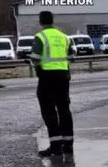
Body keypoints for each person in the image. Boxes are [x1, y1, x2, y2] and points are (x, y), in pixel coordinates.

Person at [29, 11, 75, 156]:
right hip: (63, 76)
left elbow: (35, 58)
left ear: (40, 21)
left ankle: (55, 147)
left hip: (47, 77)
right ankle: (68, 145)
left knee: (49, 111)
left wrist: (36, 64)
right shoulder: (65, 37)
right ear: (53, 20)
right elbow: (72, 57)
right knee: (64, 110)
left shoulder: (40, 37)